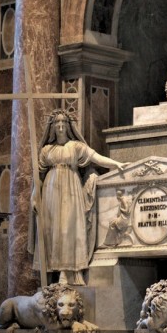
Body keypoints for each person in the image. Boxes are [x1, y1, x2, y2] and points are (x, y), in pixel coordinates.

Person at [28, 109, 129, 285]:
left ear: (68, 126)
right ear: (52, 127)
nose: (60, 126)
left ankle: (70, 271)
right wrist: (34, 195)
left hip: (71, 187)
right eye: (57, 123)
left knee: (69, 228)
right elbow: (39, 176)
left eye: (63, 123)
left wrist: (116, 164)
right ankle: (58, 271)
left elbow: (95, 157)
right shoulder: (46, 150)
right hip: (51, 190)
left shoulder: (76, 146)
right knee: (53, 230)